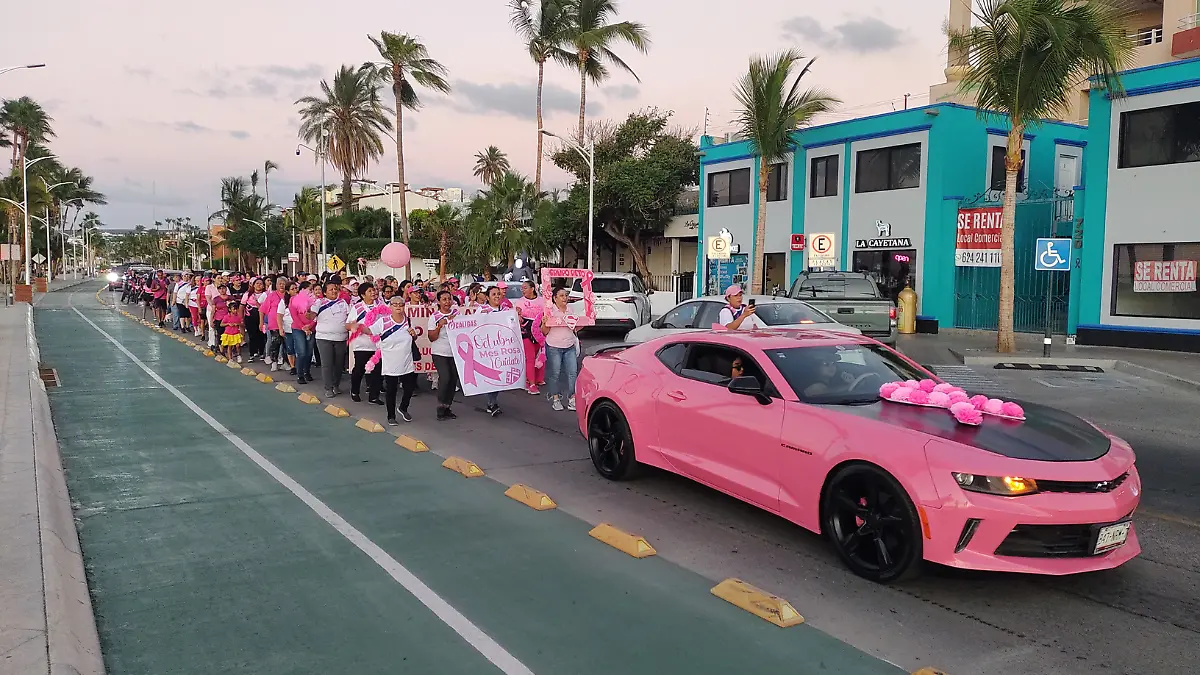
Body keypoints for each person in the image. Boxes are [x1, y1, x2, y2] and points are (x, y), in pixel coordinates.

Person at [363, 294, 419, 425]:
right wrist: (357, 327)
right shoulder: (384, 322)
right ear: (390, 307)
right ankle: (391, 416)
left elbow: (413, 339)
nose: (398, 307)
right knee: (391, 390)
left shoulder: (409, 321)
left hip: (406, 361)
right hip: (390, 361)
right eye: (395, 304)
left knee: (409, 388)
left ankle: (403, 408)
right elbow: (370, 331)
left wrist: (414, 335)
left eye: (401, 304)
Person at [541, 286, 582, 412]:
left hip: (569, 346)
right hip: (554, 346)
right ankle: (556, 399)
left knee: (572, 373)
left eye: (566, 295)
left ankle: (572, 398)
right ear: (555, 298)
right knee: (555, 373)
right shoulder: (550, 311)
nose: (565, 298)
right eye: (562, 295)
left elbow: (575, 328)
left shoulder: (571, 309)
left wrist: (587, 321)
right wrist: (544, 323)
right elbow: (544, 332)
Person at [310, 280, 351, 398]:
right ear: (324, 292)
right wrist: (308, 311)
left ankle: (336, 385)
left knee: (339, 365)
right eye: (330, 289)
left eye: (335, 289)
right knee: (327, 364)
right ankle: (328, 388)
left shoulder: (343, 303)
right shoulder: (319, 302)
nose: (334, 291)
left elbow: (349, 318)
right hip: (324, 338)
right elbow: (311, 315)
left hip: (341, 338)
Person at [348, 282, 384, 405]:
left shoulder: (381, 305)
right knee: (359, 369)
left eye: (373, 290)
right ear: (363, 295)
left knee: (377, 370)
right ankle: (354, 391)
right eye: (369, 291)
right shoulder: (357, 308)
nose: (373, 292)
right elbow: (348, 324)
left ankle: (374, 396)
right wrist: (355, 327)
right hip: (362, 344)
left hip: (378, 345)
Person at [427, 290, 460, 420]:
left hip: (454, 352)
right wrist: (439, 326)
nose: (447, 302)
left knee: (453, 380)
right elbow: (431, 338)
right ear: (439, 302)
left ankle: (447, 407)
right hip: (439, 352)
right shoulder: (434, 317)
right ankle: (440, 407)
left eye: (449, 299)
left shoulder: (457, 314)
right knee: (445, 378)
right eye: (444, 299)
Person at [514, 280, 546, 394]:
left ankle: (534, 379)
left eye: (525, 287)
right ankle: (531, 384)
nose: (523, 290)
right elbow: (516, 317)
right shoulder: (520, 302)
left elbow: (547, 315)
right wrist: (518, 315)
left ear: (532, 289)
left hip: (540, 331)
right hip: (526, 332)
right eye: (522, 288)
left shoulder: (542, 301)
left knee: (540, 356)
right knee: (530, 358)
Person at [290, 280, 317, 385]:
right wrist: (303, 327)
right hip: (298, 328)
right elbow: (294, 316)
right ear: (302, 290)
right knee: (301, 352)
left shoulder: (314, 300)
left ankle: (307, 372)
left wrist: (310, 326)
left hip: (311, 328)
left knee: (309, 352)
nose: (311, 291)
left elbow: (316, 315)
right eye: (309, 289)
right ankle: (300, 374)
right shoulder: (294, 300)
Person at [261, 276, 287, 371]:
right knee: (276, 342)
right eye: (280, 283)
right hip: (274, 323)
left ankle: (285, 362)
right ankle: (274, 361)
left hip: (287, 324)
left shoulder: (289, 295)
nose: (282, 285)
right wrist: (261, 323)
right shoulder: (271, 295)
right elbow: (262, 309)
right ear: (276, 285)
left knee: (286, 344)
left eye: (283, 284)